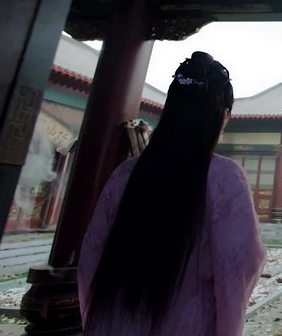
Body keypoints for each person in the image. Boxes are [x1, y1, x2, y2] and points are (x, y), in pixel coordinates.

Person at [77, 51, 267, 336]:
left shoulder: (126, 174)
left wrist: (94, 318)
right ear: (223, 115)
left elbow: (90, 259)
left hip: (112, 322)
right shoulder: (223, 178)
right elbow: (238, 266)